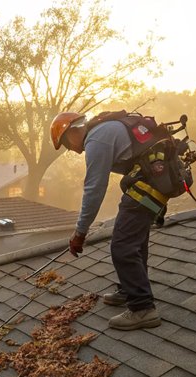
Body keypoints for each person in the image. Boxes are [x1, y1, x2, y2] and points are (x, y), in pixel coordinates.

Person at [51, 111, 162, 330]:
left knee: (122, 245)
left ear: (71, 133)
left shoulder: (96, 139)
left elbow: (94, 189)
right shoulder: (102, 131)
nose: (69, 150)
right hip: (156, 181)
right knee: (135, 240)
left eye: (65, 144)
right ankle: (130, 289)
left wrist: (80, 232)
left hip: (150, 184)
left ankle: (143, 309)